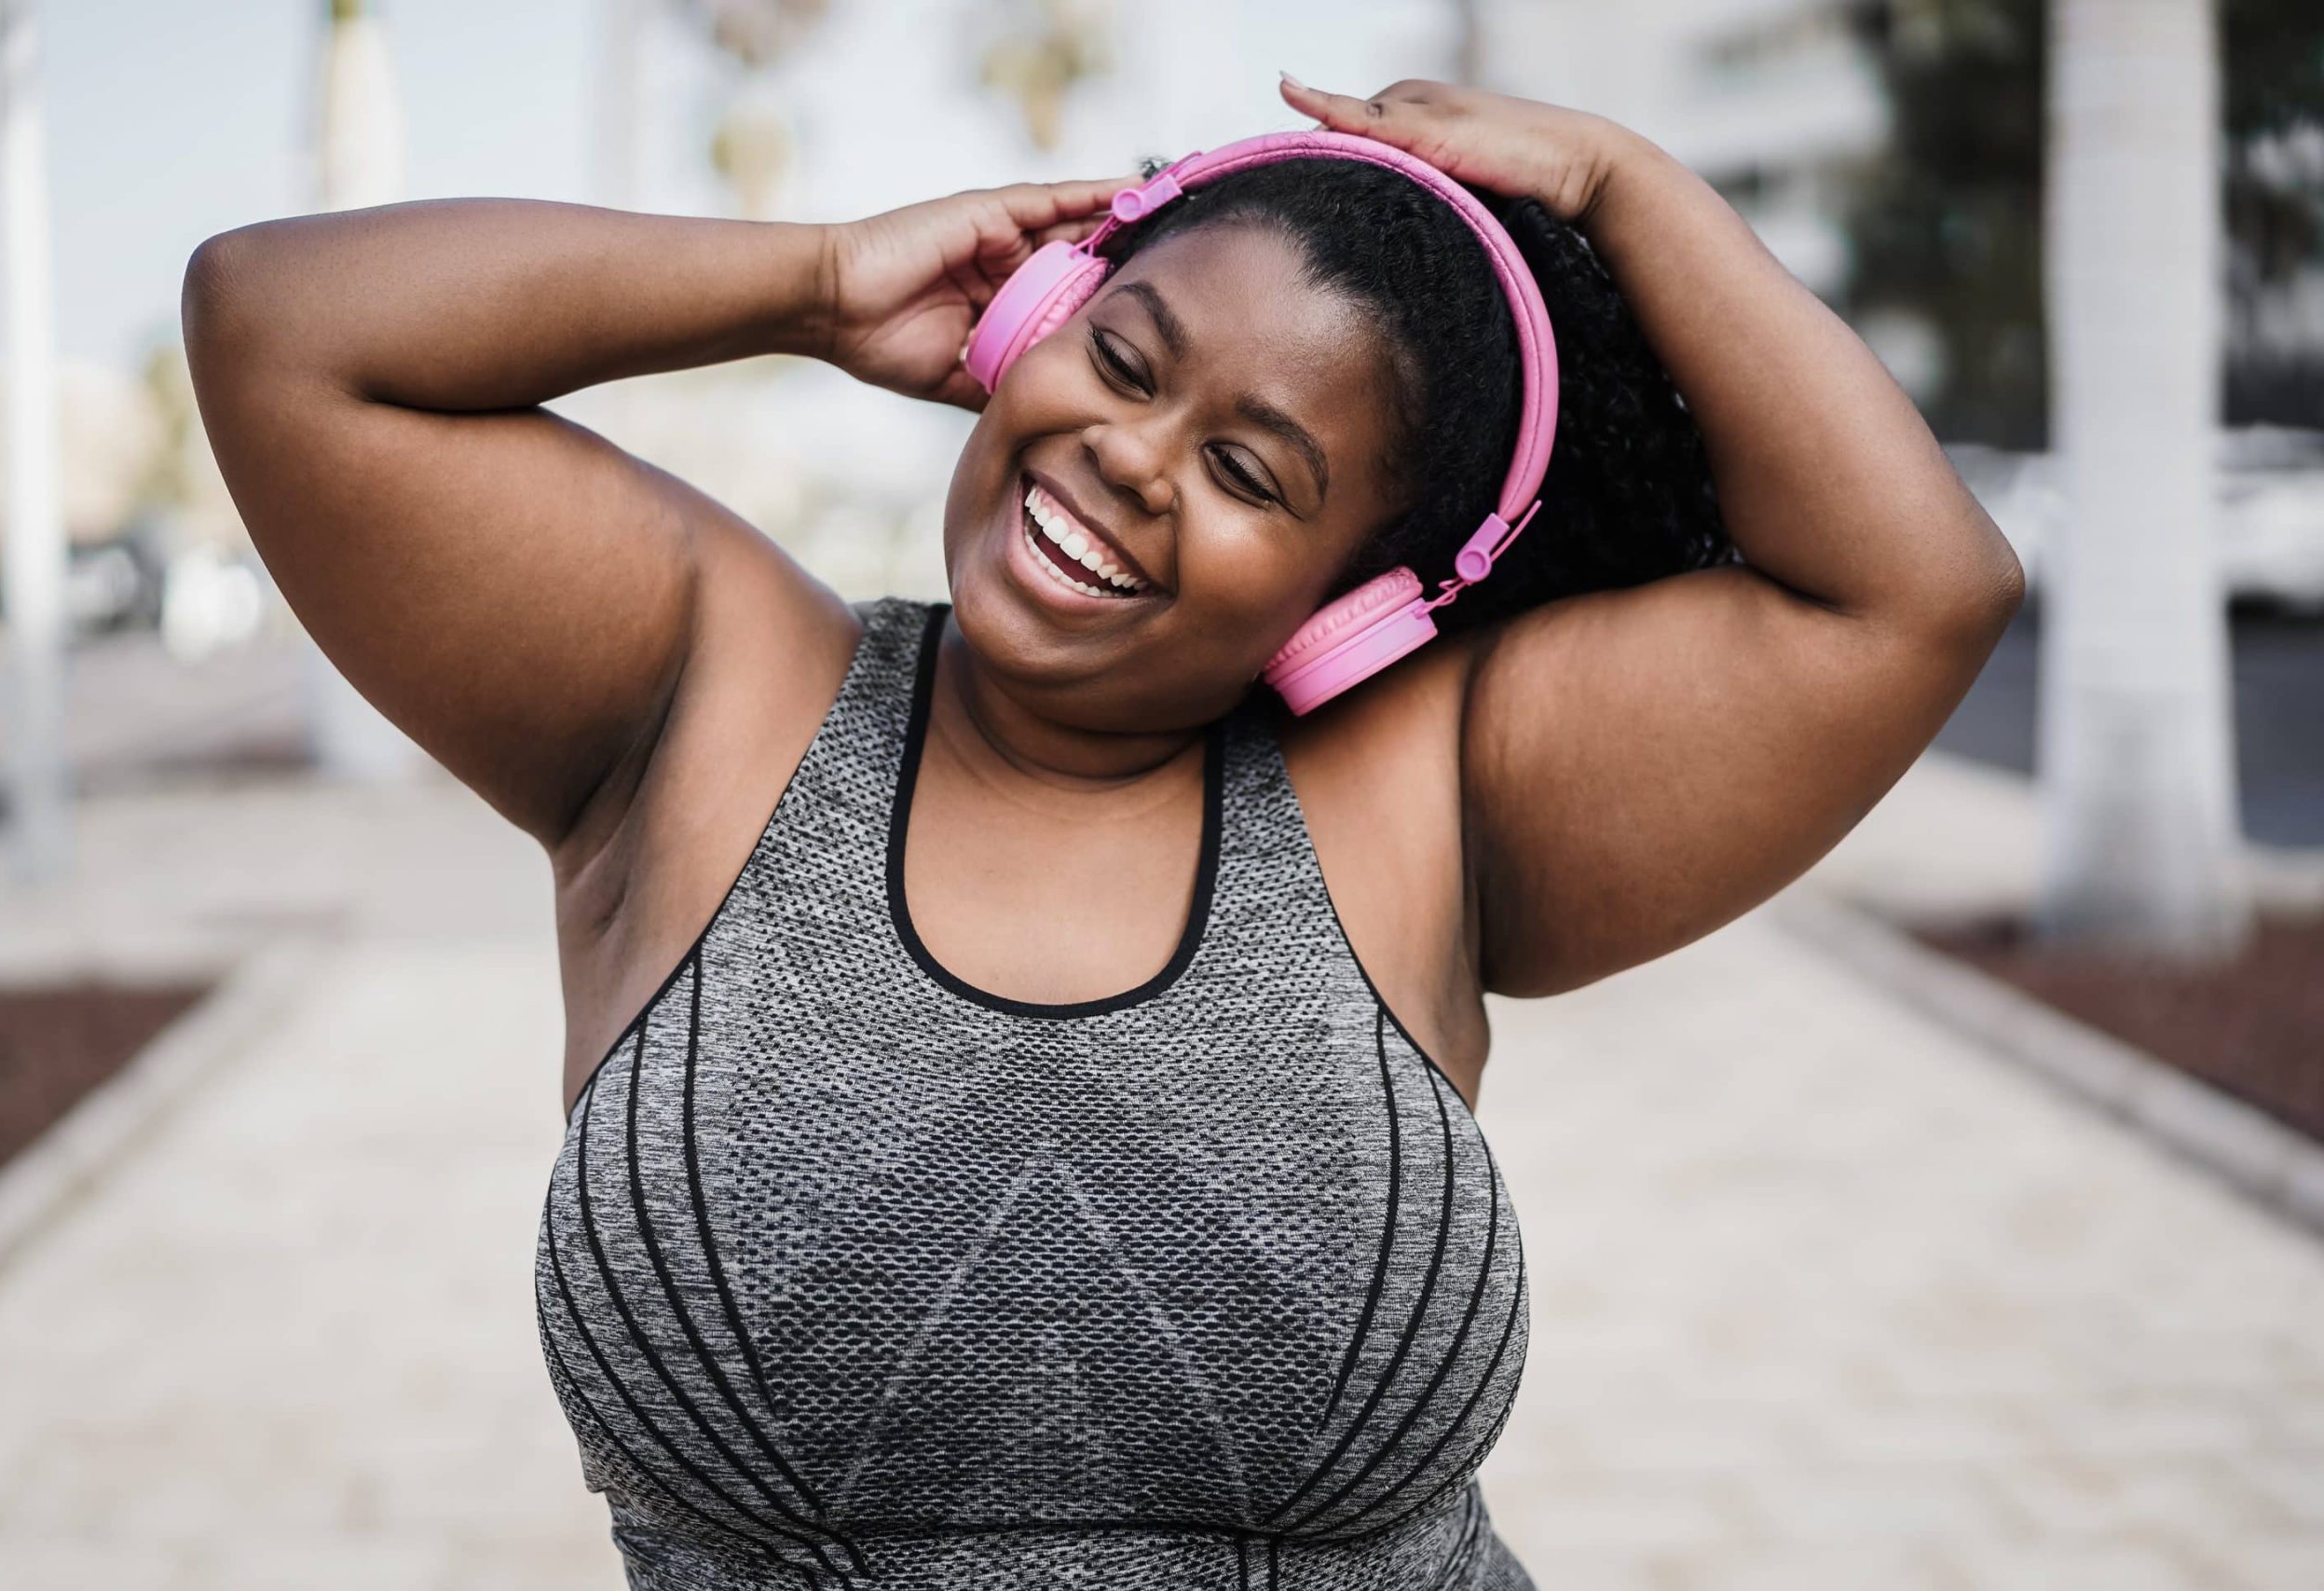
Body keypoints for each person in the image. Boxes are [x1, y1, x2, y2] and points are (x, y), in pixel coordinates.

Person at [184, 74, 2022, 1591]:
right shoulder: (698, 687)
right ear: (1025, 329)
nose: (1133, 457)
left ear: (1348, 608)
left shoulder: (1425, 790)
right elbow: (282, 330)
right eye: (1122, 359)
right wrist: (813, 281)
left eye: (1250, 471)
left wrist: (1623, 184)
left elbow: (1908, 590)